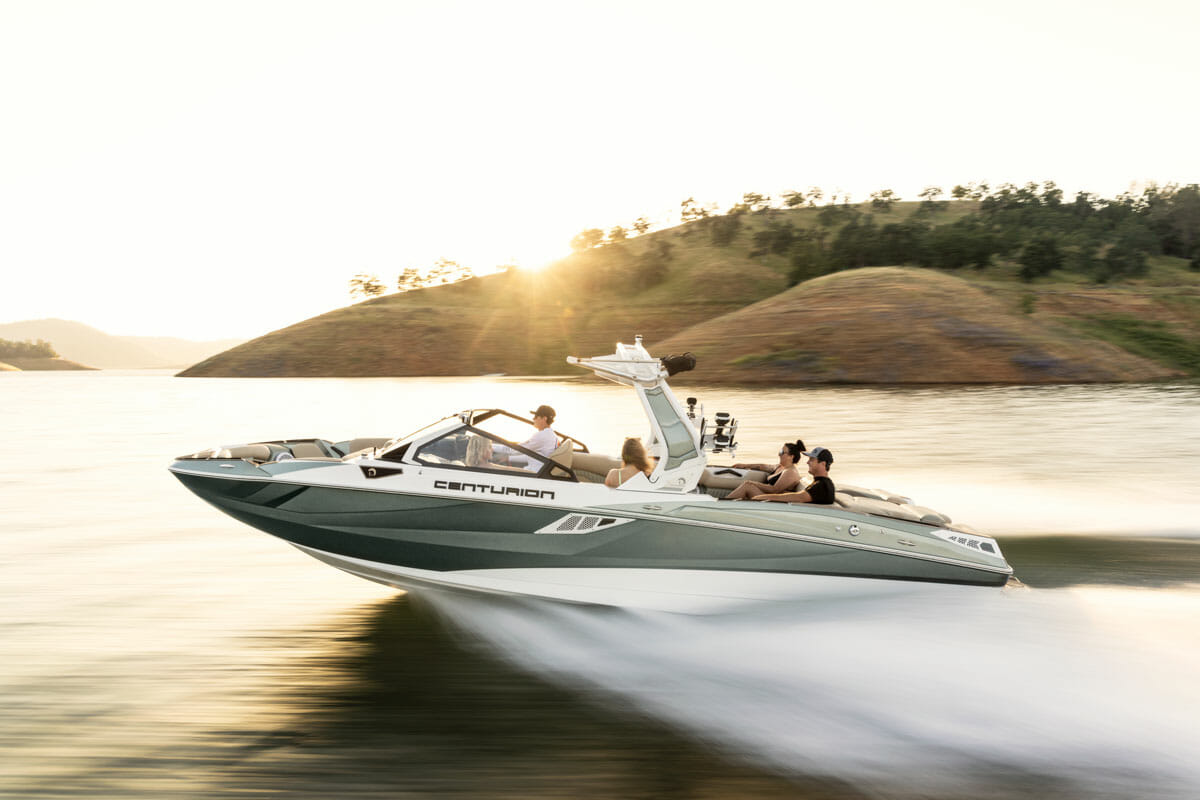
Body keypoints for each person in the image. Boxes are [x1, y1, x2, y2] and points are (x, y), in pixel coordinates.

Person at [721, 440, 806, 500]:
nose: (779, 454)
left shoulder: (790, 472)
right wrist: (744, 465)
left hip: (774, 502)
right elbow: (762, 466)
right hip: (766, 497)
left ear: (791, 457)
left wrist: (752, 482)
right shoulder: (780, 467)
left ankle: (721, 505)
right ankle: (725, 503)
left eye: (782, 452)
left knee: (748, 486)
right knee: (747, 485)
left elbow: (774, 490)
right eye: (780, 451)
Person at [753, 446, 836, 505]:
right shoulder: (820, 483)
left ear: (823, 464)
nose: (807, 462)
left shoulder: (822, 486)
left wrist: (759, 497)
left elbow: (798, 497)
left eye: (811, 460)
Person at [493, 404, 558, 466]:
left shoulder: (542, 436)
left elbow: (516, 449)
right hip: (538, 469)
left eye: (536, 416)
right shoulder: (551, 435)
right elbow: (532, 456)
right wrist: (509, 458)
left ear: (544, 418)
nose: (533, 419)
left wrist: (491, 446)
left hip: (534, 472)